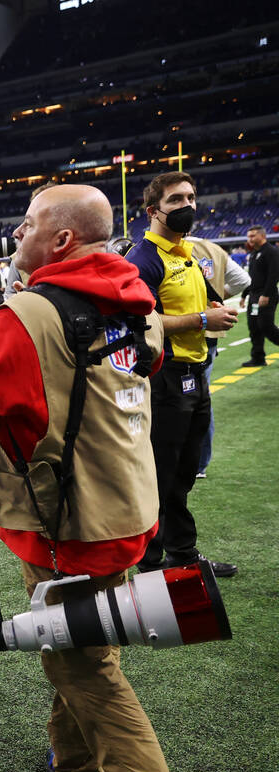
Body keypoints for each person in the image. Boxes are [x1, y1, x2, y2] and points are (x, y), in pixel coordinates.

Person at [0, 184, 176, 772]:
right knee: (80, 643)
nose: (17, 234)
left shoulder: (29, 315)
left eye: (27, 224)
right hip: (125, 505)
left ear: (62, 239)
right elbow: (141, 365)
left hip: (66, 523)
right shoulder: (137, 297)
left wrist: (2, 324)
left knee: (83, 667)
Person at [124, 172, 238, 578]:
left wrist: (214, 309)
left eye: (191, 197)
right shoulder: (144, 259)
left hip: (195, 371)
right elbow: (143, 323)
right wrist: (203, 318)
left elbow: (208, 300)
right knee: (160, 471)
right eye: (175, 200)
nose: (187, 205)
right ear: (153, 210)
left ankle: (182, 554)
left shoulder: (186, 252)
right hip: (165, 376)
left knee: (185, 469)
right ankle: (150, 563)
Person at [187, 236, 250, 478]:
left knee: (176, 396)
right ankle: (200, 463)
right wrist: (216, 298)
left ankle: (183, 458)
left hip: (176, 330)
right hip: (209, 331)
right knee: (202, 394)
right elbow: (243, 280)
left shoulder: (162, 246)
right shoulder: (213, 248)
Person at [240, 225, 279, 367]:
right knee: (254, 327)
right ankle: (258, 358)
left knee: (266, 326)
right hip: (254, 296)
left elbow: (274, 275)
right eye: (248, 236)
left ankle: (258, 357)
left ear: (262, 236)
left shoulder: (271, 252)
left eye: (253, 235)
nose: (250, 239)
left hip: (266, 296)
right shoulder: (254, 254)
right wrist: (244, 295)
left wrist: (266, 295)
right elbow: (251, 278)